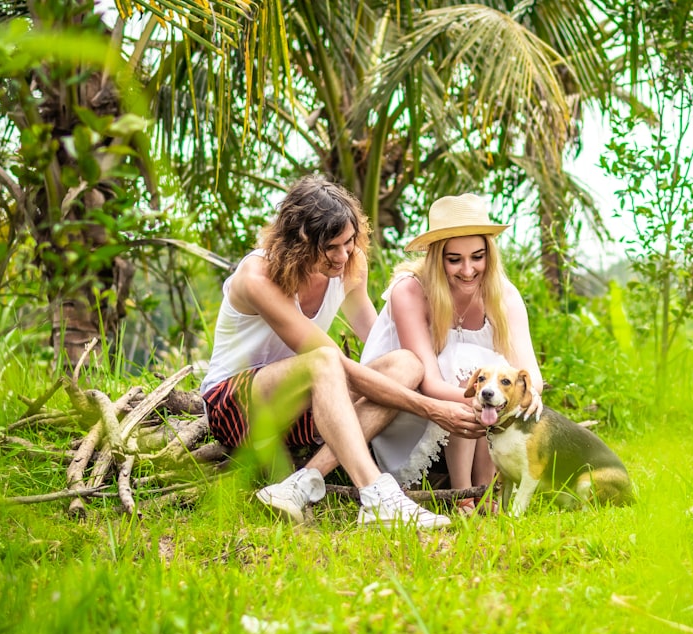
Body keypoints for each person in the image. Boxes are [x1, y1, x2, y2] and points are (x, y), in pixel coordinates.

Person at [198, 176, 484, 528]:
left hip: (308, 404)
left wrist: (443, 377)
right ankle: (377, 495)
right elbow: (336, 364)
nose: (342, 255)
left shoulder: (350, 263)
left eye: (349, 242)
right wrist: (431, 407)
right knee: (325, 359)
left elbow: (379, 337)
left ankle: (301, 483)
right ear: (298, 243)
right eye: (330, 247)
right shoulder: (257, 277)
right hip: (237, 406)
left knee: (406, 363)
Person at [360, 193, 543, 511]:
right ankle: (463, 494)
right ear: (436, 257)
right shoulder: (411, 290)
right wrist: (484, 397)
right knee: (470, 365)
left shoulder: (503, 294)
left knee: (491, 375)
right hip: (408, 407)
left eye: (478, 256)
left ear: (490, 253)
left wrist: (512, 398)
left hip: (476, 410)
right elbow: (429, 382)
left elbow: (530, 375)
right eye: (454, 259)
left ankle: (485, 488)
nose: (468, 270)